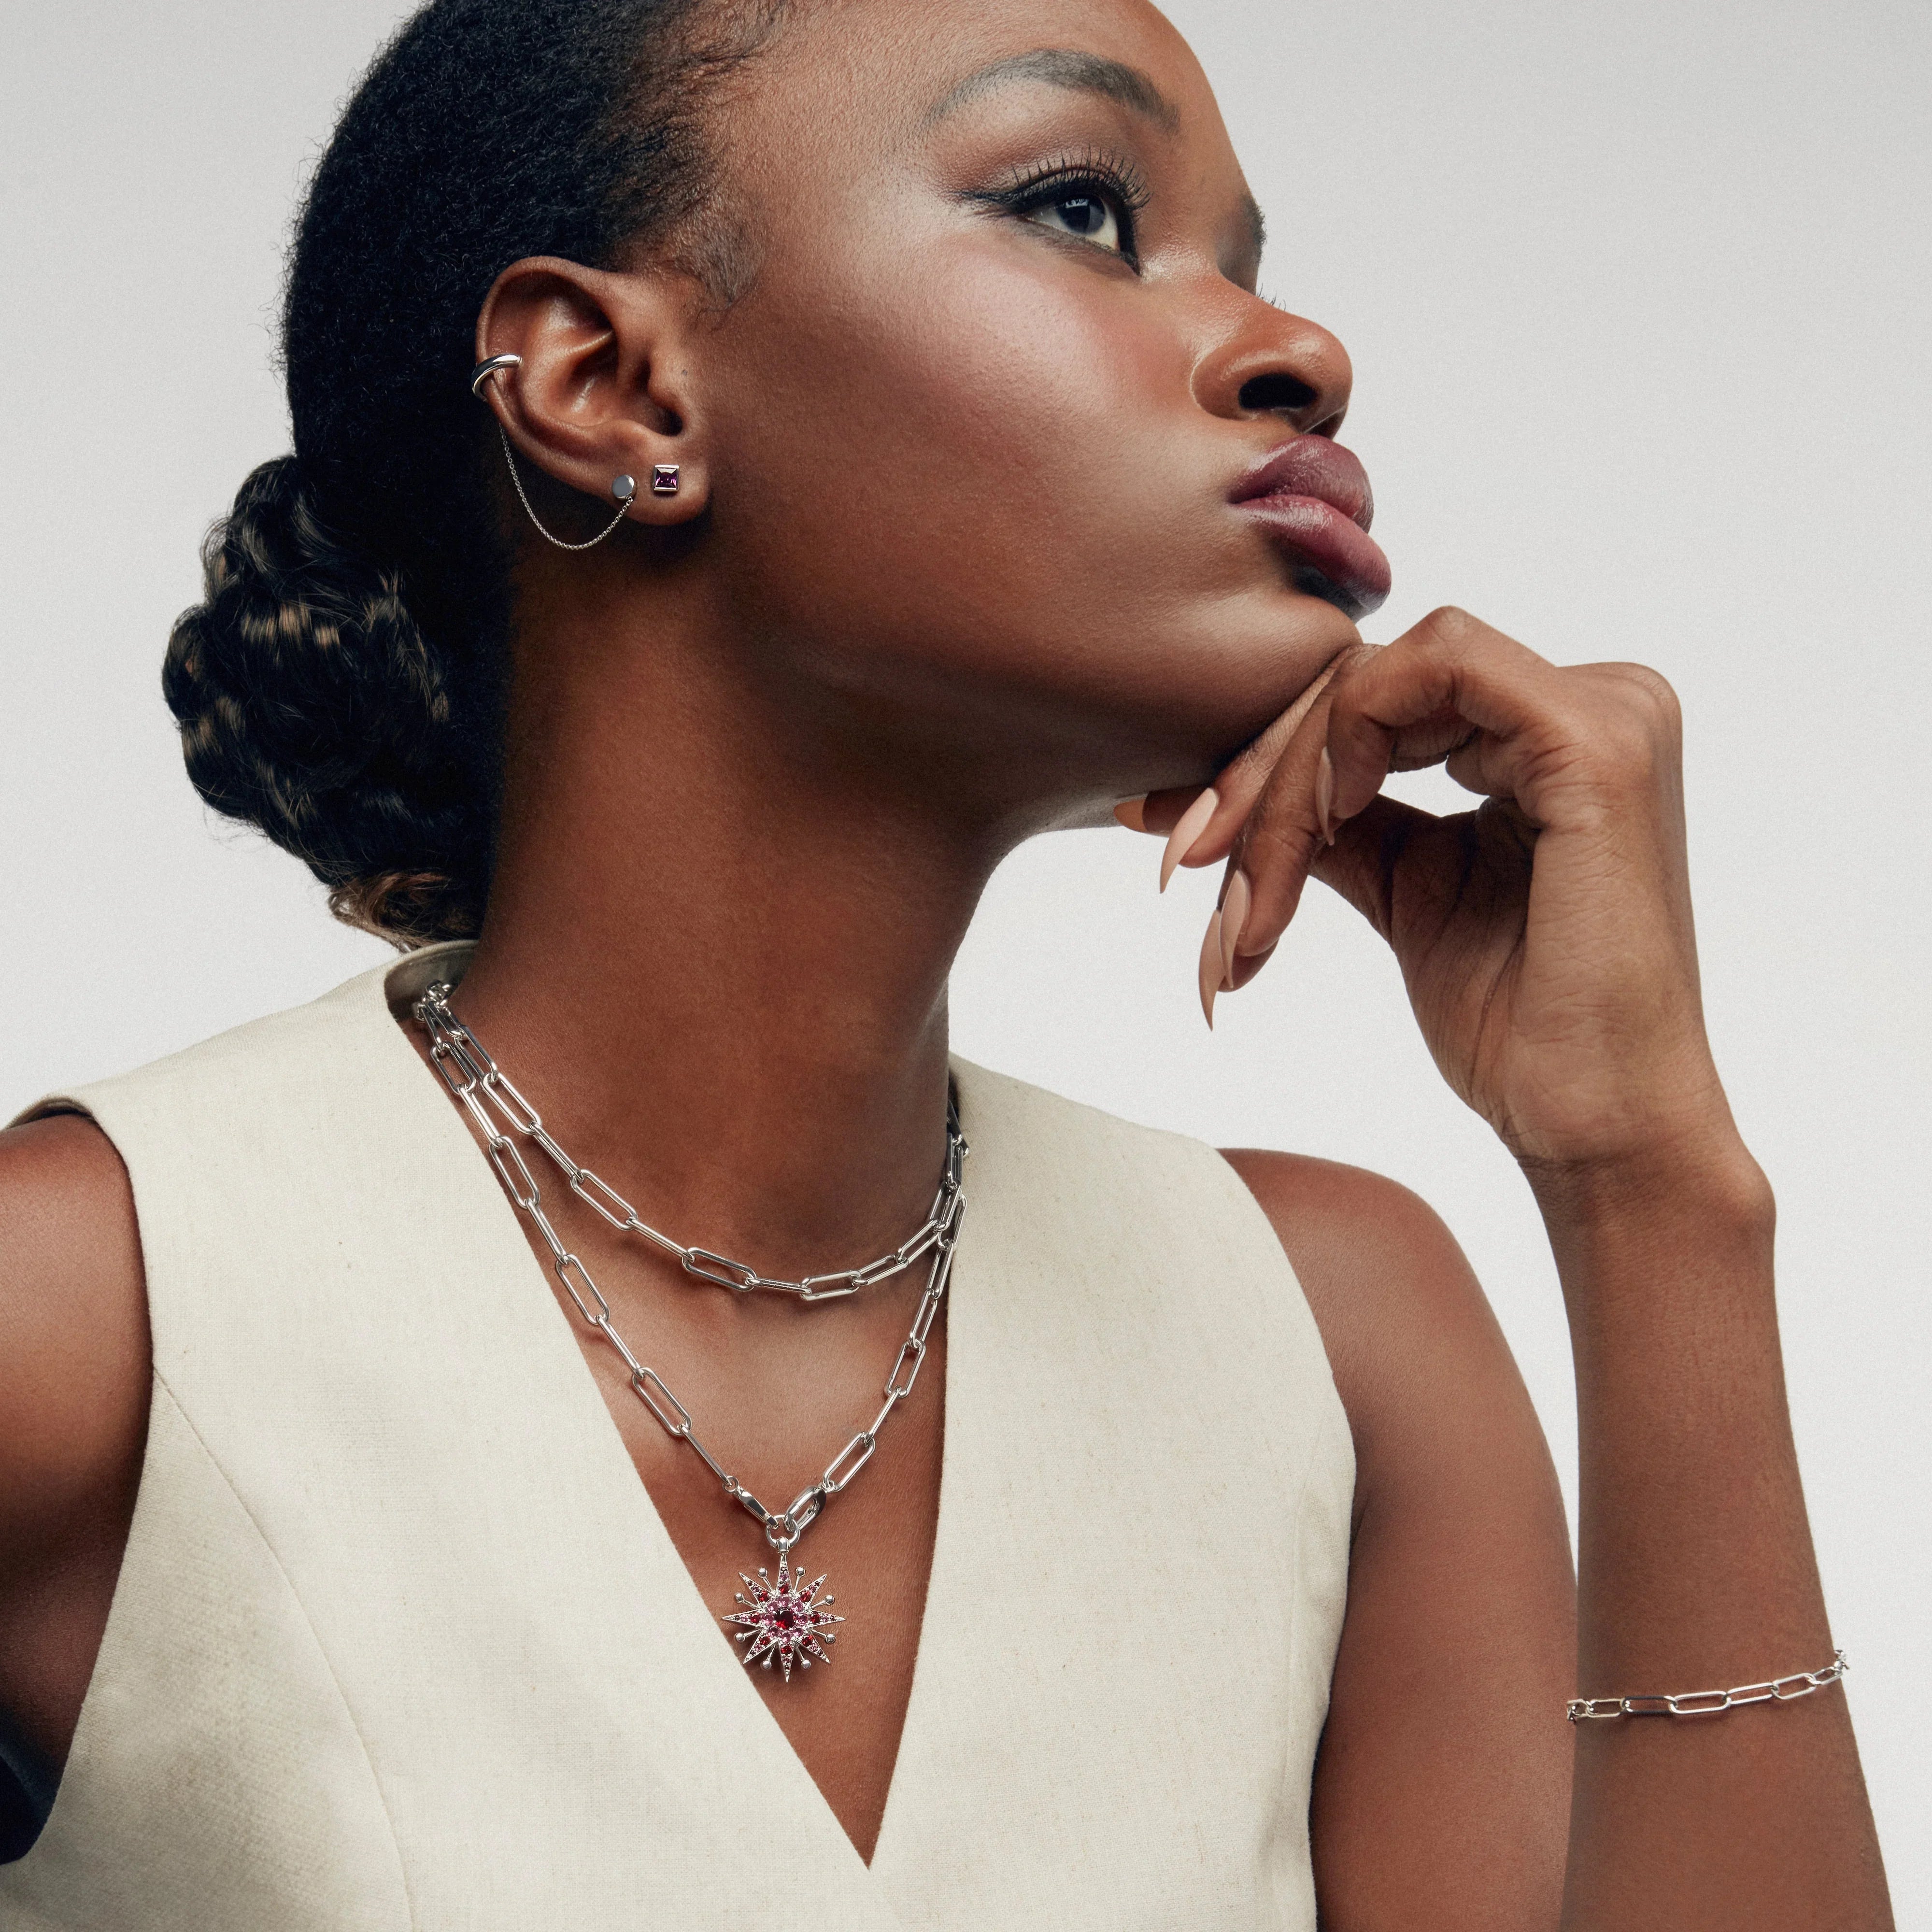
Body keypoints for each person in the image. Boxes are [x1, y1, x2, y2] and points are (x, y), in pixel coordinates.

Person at [0, 0, 1893, 1924]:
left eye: (1248, 264)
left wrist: (1649, 1187)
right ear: (612, 383)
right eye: (1080, 209)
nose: (1299, 350)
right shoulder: (92, 1311)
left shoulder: (1328, 1340)